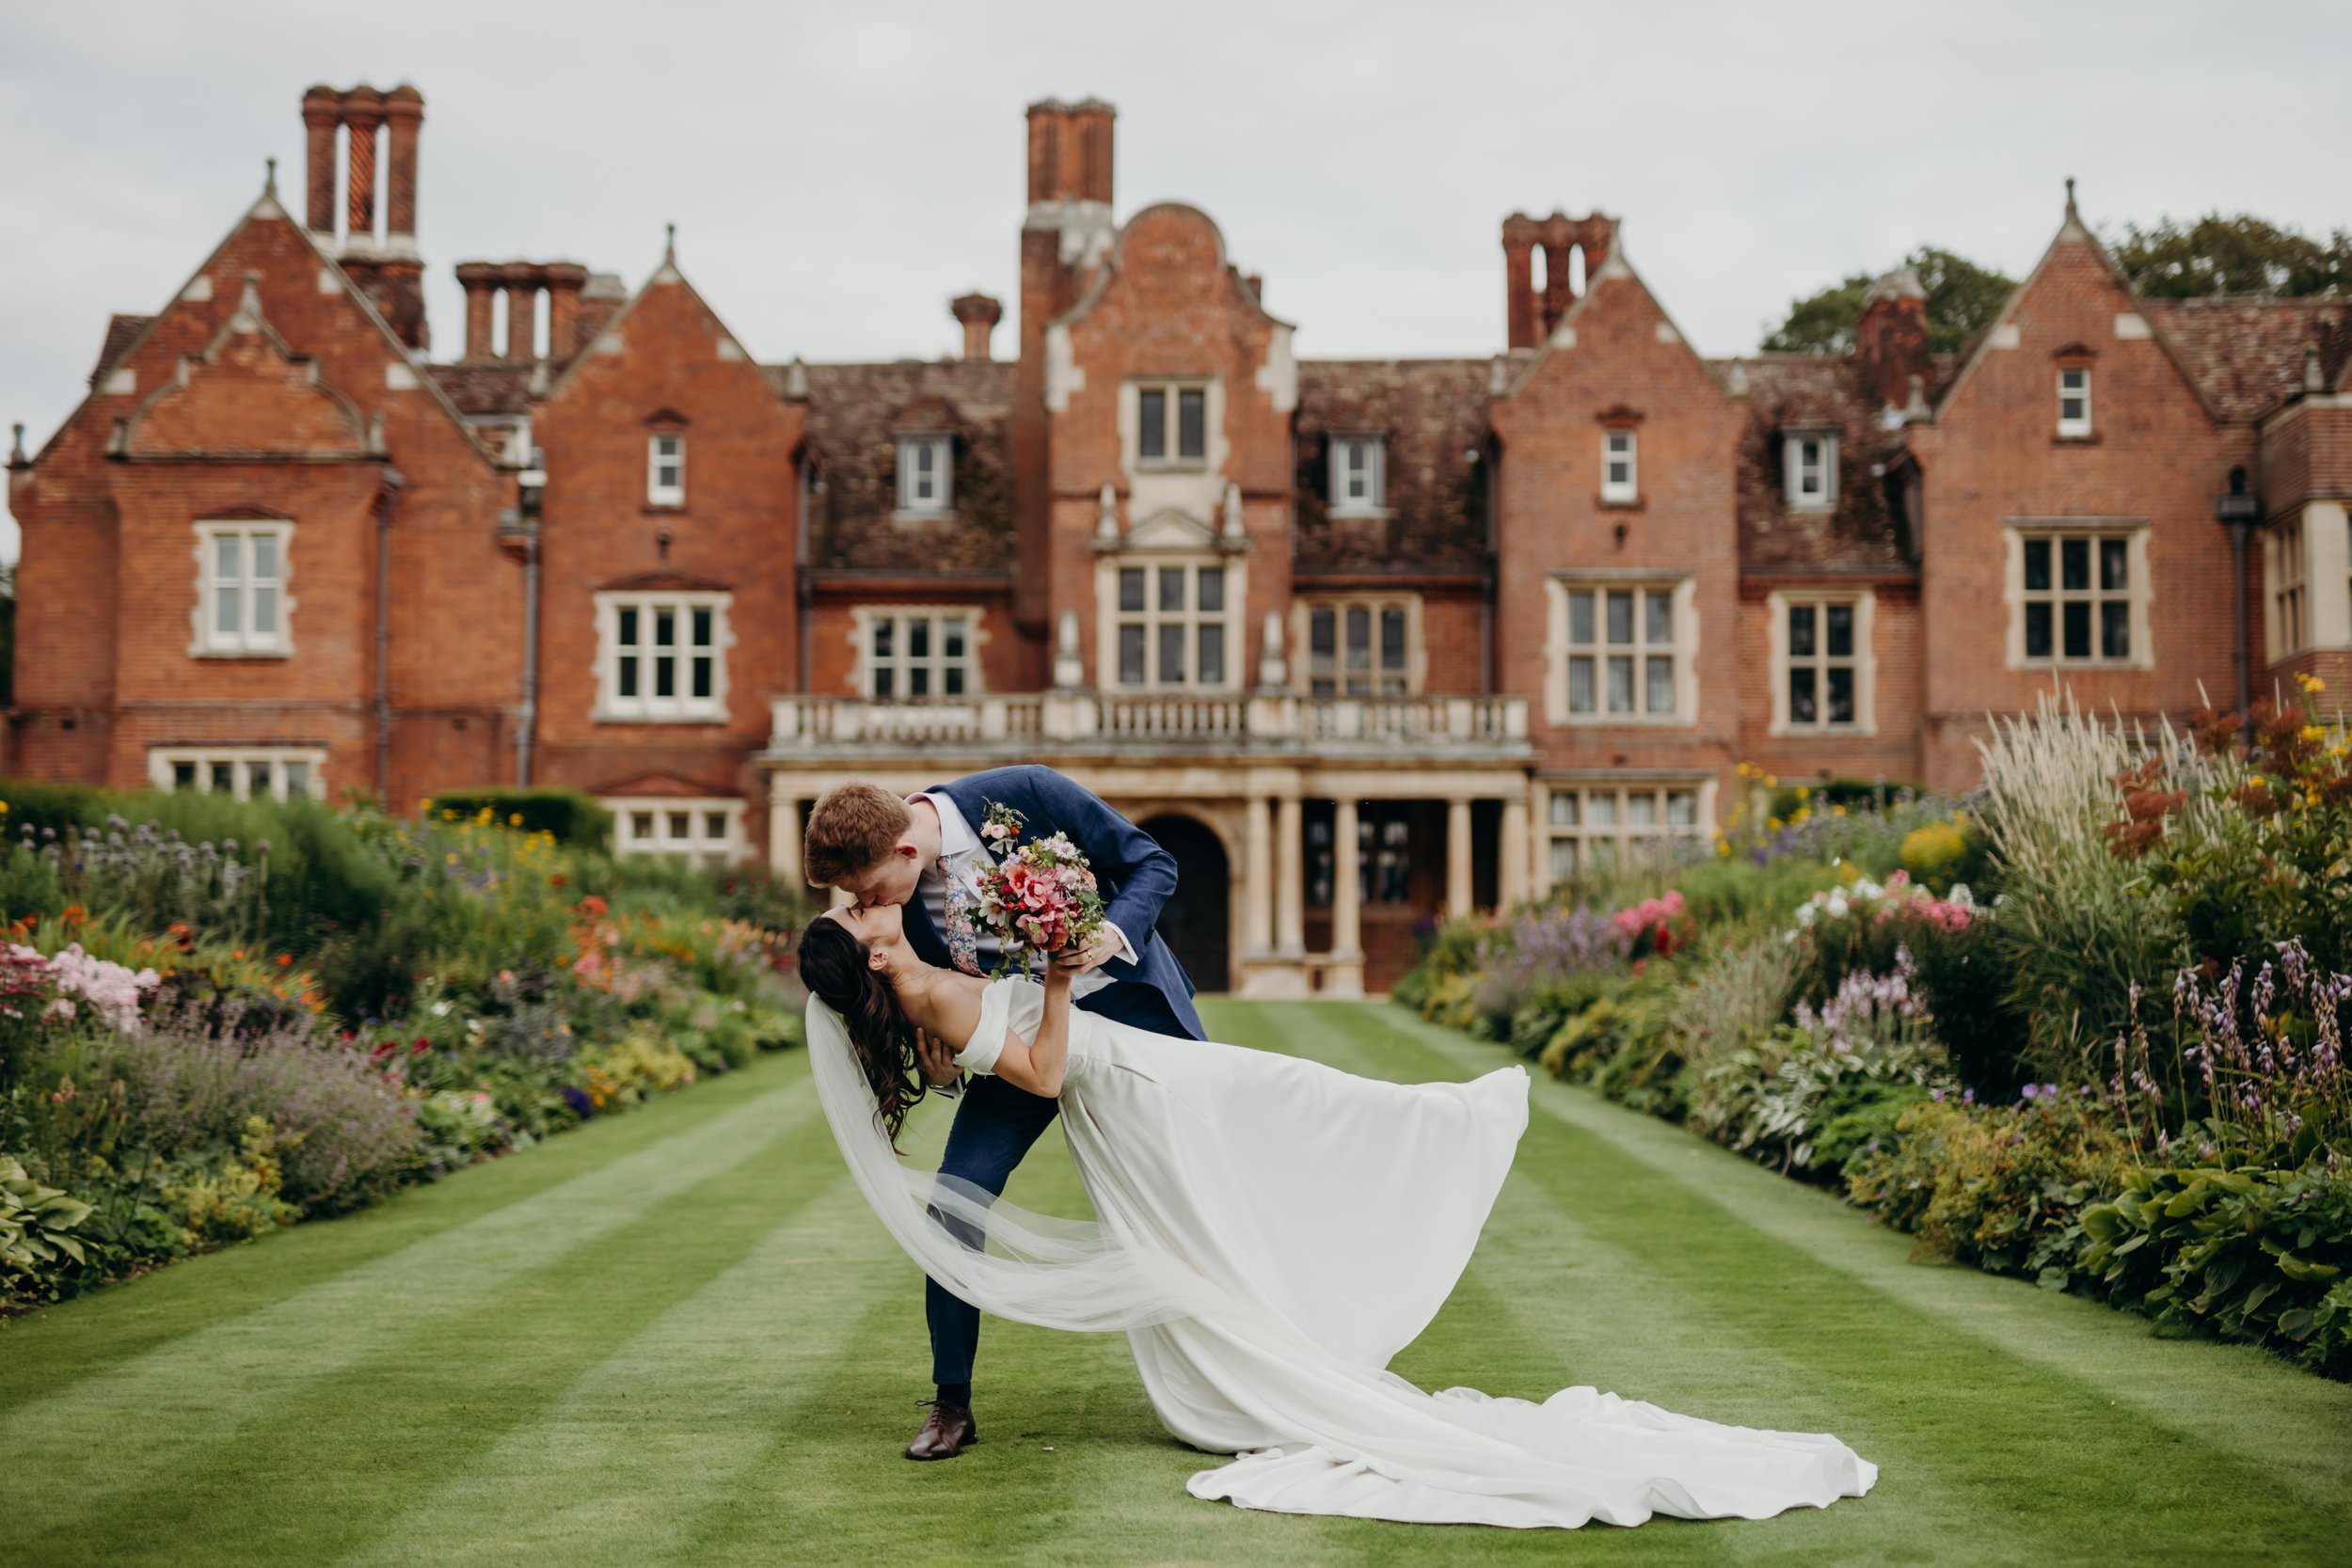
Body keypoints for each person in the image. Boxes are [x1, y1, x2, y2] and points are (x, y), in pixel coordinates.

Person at [797, 905, 1882, 1530]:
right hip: (1121, 1084)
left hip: (1135, 1073)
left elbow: (984, 1024)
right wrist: (1053, 970)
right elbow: (1035, 1069)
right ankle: (1450, 1119)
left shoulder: (919, 975)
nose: (864, 901)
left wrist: (1030, 943)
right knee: (1298, 1109)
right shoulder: (927, 991)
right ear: (872, 957)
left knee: (1284, 1118)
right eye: (856, 913)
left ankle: (1435, 1125)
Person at [802, 767, 1205, 1460]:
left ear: (903, 851)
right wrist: (943, 1073)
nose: (865, 904)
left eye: (866, 891)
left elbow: (1151, 863)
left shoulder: (1026, 792)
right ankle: (951, 1402)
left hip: (1131, 1021)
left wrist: (1108, 935)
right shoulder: (894, 921)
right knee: (954, 1206)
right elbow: (947, 1019)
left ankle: (1240, 1360)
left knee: (1199, 1192)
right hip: (1023, 1051)